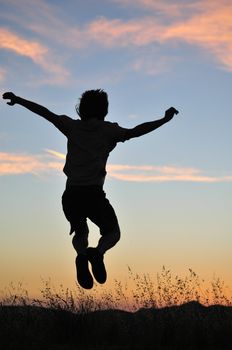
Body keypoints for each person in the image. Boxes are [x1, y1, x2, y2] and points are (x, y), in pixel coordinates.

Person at [2, 90, 178, 289]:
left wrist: (18, 100)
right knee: (113, 233)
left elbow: (45, 113)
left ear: (81, 108)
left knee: (80, 232)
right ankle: (98, 253)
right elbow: (136, 131)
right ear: (104, 110)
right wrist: (164, 120)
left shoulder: (72, 126)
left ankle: (81, 255)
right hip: (94, 194)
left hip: (71, 195)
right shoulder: (108, 130)